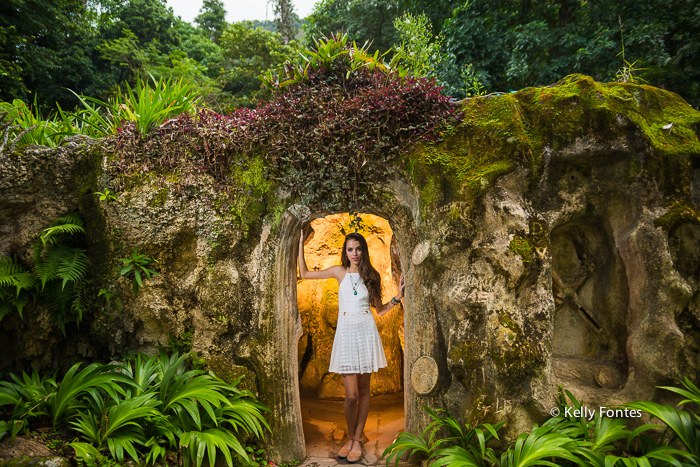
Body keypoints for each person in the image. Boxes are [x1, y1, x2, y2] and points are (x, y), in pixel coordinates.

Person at [298, 229, 405, 463]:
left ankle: (356, 439)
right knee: (351, 395)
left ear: (362, 251)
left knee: (364, 390)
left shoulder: (371, 276)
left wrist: (397, 298)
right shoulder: (340, 272)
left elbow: (380, 310)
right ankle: (352, 435)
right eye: (350, 249)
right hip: (346, 333)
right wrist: (299, 242)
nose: (354, 253)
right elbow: (305, 274)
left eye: (358, 249)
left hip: (365, 331)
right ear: (345, 253)